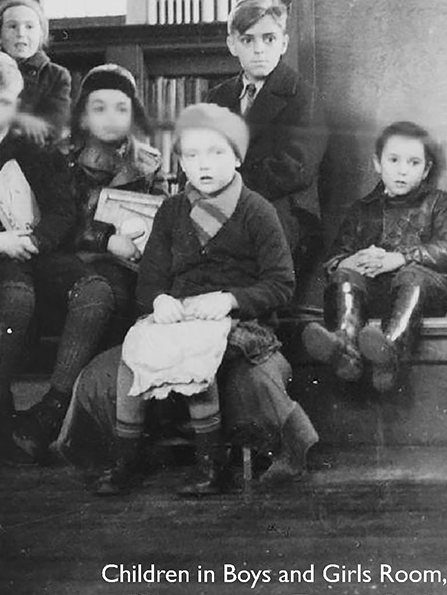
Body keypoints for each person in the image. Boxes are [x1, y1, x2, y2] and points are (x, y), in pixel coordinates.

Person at [92, 104, 316, 496]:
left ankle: (211, 465)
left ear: (237, 157)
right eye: (192, 155)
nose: (204, 165)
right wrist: (160, 300)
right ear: (181, 162)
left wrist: (230, 299)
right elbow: (149, 282)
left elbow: (281, 285)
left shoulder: (257, 211)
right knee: (135, 354)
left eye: (216, 153)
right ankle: (125, 461)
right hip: (181, 317)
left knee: (196, 359)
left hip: (237, 321)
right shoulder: (172, 211)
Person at [0, 49, 114, 465]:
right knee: (16, 298)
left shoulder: (32, 146)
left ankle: (51, 410)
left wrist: (37, 240)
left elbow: (63, 211)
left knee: (95, 291)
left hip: (35, 249)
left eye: (5, 102)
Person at [300, 121, 447, 392]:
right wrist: (353, 260)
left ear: (426, 171)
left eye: (413, 163)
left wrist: (400, 258)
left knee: (411, 274)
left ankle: (391, 349)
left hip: (424, 293)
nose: (402, 170)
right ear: (377, 164)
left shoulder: (439, 203)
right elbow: (333, 261)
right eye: (394, 160)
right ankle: (346, 347)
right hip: (375, 297)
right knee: (344, 275)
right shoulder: (362, 209)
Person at [207, 0, 326, 273]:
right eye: (248, 40)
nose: (259, 49)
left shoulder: (302, 95)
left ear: (283, 44)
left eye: (269, 39)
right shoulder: (217, 97)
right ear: (232, 45)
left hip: (284, 208)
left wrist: (230, 188)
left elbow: (296, 168)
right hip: (224, 201)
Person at [68, 64, 167, 340]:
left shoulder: (149, 162)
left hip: (140, 256)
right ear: (83, 117)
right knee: (117, 293)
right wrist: (106, 239)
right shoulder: (68, 160)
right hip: (89, 257)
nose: (111, 117)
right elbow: (64, 219)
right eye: (99, 109)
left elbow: (163, 211)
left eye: (121, 109)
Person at [0, 0, 71, 145]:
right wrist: (20, 119)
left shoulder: (56, 76)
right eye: (12, 26)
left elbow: (52, 128)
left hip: (32, 158)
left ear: (41, 34)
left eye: (29, 27)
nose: (21, 33)